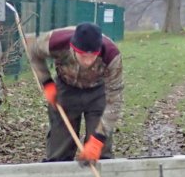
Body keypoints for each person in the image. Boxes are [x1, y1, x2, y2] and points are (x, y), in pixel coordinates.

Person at [27, 22, 124, 163]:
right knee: (59, 148)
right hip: (66, 88)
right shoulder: (55, 42)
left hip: (98, 91)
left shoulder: (111, 55)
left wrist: (98, 139)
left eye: (93, 56)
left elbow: (115, 99)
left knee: (100, 150)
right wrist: (47, 83)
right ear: (73, 48)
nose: (88, 61)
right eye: (83, 56)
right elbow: (34, 53)